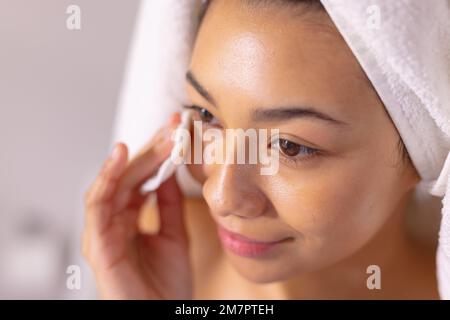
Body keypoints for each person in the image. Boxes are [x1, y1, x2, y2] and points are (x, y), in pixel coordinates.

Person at [83, 0, 440, 299]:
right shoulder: (156, 250)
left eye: (289, 147)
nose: (221, 196)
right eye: (207, 115)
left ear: (420, 151)